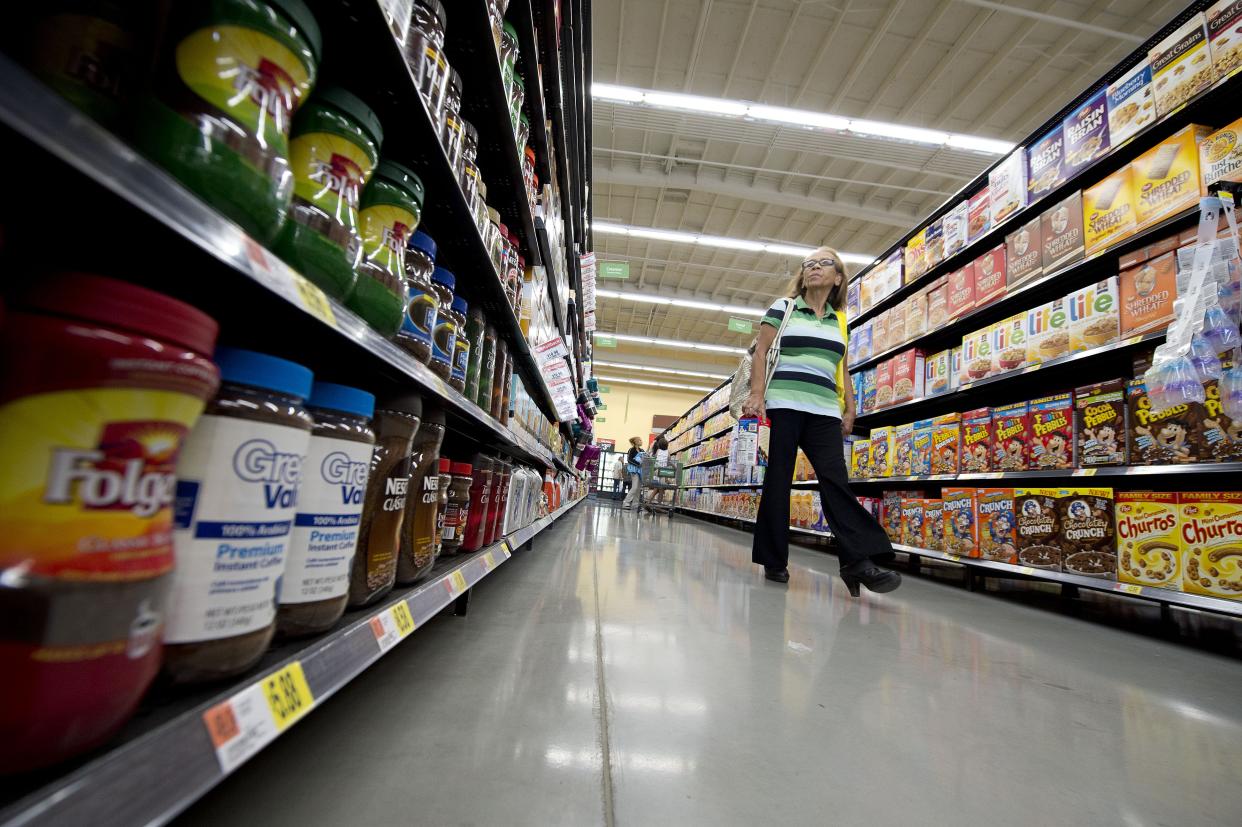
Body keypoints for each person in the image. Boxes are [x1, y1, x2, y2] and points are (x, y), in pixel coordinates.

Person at [742, 247, 901, 595]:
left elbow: (841, 368)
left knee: (835, 481)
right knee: (779, 481)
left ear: (838, 277)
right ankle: (773, 559)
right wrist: (756, 394)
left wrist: (850, 409)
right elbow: (761, 352)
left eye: (823, 263)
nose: (814, 268)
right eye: (808, 264)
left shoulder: (839, 320)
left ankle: (857, 562)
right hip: (783, 405)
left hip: (826, 410)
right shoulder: (783, 309)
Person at [621, 436, 644, 511]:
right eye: (639, 440)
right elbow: (629, 459)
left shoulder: (642, 450)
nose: (641, 441)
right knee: (634, 487)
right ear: (635, 441)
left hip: (640, 471)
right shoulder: (631, 450)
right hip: (634, 470)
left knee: (638, 488)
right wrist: (638, 463)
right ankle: (626, 502)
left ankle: (635, 505)